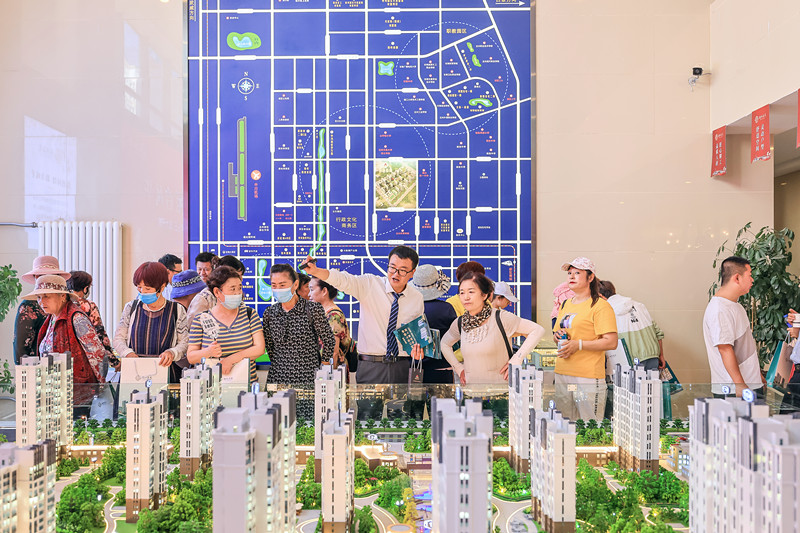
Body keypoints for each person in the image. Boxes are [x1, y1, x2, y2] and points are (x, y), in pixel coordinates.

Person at [302, 245, 424, 384]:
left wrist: (418, 349)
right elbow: (343, 280)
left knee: (402, 399)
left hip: (402, 365)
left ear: (412, 272)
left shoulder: (417, 298)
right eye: (392, 267)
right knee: (367, 399)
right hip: (371, 365)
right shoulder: (370, 284)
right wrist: (316, 271)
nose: (395, 274)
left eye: (402, 270)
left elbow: (417, 333)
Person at [441, 272, 545, 384]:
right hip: (471, 391)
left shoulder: (501, 318)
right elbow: (444, 344)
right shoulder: (461, 322)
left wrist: (517, 359)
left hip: (500, 391)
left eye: (471, 292)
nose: (466, 297)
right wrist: (458, 368)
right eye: (462, 292)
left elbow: (537, 330)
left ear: (484, 295)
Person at [23, 274, 106, 409]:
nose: (41, 302)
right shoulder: (51, 318)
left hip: (76, 396)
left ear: (62, 296)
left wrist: (100, 387)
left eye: (46, 296)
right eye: (39, 297)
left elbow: (98, 354)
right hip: (55, 394)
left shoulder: (76, 318)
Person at [552, 257, 618, 421]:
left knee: (590, 425)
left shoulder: (600, 306)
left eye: (577, 273)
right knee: (564, 425)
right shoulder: (565, 304)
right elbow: (557, 334)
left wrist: (579, 345)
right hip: (563, 373)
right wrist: (557, 336)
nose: (571, 276)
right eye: (569, 273)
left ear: (590, 277)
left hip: (587, 376)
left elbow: (611, 342)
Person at [113, 261, 188, 383]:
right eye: (139, 287)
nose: (142, 292)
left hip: (165, 371)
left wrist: (172, 353)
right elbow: (118, 338)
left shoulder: (177, 310)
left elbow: (184, 342)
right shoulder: (131, 308)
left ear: (162, 287)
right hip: (133, 372)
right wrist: (127, 353)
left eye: (147, 288)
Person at [187, 266, 264, 383]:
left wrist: (231, 360)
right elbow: (191, 357)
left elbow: (259, 348)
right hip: (212, 387)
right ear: (217, 292)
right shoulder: (201, 319)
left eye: (240, 288)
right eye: (232, 289)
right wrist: (208, 352)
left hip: (247, 386)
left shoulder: (250, 314)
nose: (238, 293)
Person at [703, 256, 765, 397]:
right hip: (733, 390)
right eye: (749, 275)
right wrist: (740, 385)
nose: (752, 280)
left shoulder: (736, 306)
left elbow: (744, 347)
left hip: (749, 385)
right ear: (737, 278)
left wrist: (757, 375)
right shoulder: (719, 309)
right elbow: (725, 349)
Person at [262, 264, 335, 384]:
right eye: (274, 285)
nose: (278, 289)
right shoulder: (270, 313)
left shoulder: (312, 309)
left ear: (295, 284)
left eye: (282, 285)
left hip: (307, 378)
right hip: (277, 378)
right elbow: (270, 346)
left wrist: (324, 366)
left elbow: (329, 340)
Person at [13, 255, 71, 364]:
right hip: (38, 367)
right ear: (36, 277)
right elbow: (21, 347)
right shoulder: (28, 306)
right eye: (42, 276)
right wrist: (25, 370)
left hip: (60, 366)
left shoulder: (66, 305)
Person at [598, 280, 666, 372]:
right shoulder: (639, 305)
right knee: (652, 382)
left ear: (600, 296)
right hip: (653, 357)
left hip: (630, 361)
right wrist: (661, 355)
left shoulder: (607, 311)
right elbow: (658, 333)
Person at [410, 264, 457, 383]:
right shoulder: (446, 309)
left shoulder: (408, 308)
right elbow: (457, 341)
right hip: (442, 369)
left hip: (413, 367)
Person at [308, 276, 353, 371]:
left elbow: (333, 353)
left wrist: (327, 376)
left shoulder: (333, 316)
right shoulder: (323, 313)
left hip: (329, 374)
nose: (309, 294)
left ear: (324, 291)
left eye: (312, 289)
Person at [67, 270, 114, 357]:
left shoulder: (63, 304)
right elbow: (100, 333)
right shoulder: (89, 305)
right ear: (85, 288)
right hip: (85, 355)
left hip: (65, 353)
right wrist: (113, 359)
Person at [187, 255, 245, 325]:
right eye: (237, 275)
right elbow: (192, 326)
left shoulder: (237, 298)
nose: (240, 279)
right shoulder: (203, 299)